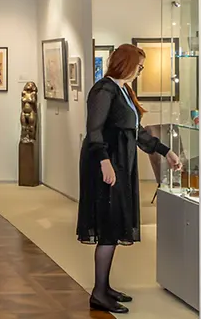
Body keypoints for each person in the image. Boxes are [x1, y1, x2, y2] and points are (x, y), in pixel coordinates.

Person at [76, 43, 182, 314]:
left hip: (121, 165)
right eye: (139, 65)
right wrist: (104, 162)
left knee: (114, 222)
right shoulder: (103, 90)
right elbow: (94, 130)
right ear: (126, 62)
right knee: (108, 226)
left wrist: (165, 151)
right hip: (106, 166)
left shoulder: (124, 90)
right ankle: (99, 293)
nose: (140, 70)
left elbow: (137, 132)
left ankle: (105, 286)